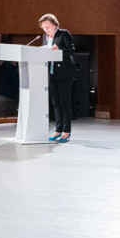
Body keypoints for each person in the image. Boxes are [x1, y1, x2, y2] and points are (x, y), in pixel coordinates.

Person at [38, 14, 77, 142]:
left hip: (64, 73)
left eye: (48, 26)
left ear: (55, 24)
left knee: (65, 102)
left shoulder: (63, 34)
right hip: (51, 73)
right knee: (55, 102)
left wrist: (59, 49)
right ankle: (58, 129)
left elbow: (71, 50)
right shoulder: (45, 37)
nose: (46, 29)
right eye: (44, 27)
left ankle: (66, 131)